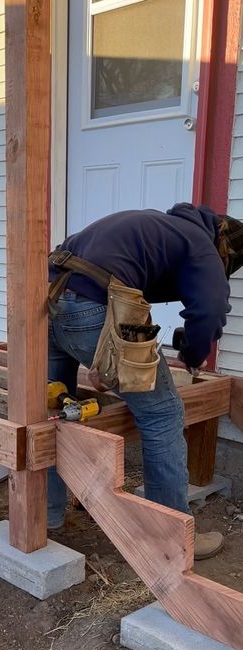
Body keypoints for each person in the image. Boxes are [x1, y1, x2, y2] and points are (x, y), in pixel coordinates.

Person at [47, 203, 243, 559]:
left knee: (54, 411)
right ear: (224, 248)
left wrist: (105, 359)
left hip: (50, 301)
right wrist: (193, 356)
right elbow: (210, 311)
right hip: (90, 310)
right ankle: (168, 538)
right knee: (163, 415)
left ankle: (47, 518)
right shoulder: (201, 245)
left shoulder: (157, 227)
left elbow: (122, 294)